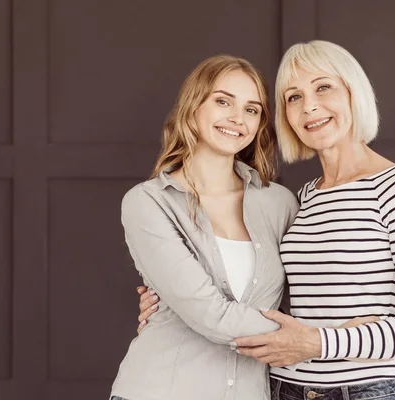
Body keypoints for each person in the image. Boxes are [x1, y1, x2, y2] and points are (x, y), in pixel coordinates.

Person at [137, 41, 395, 400]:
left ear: (353, 92)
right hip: (284, 388)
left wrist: (318, 342)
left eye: (323, 87)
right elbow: (271, 299)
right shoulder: (304, 198)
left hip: (363, 391)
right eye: (293, 97)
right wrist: (170, 307)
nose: (309, 105)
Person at [109, 54, 300, 400]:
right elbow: (211, 316)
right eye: (223, 101)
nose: (237, 118)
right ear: (193, 106)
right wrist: (318, 337)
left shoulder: (280, 203)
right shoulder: (149, 203)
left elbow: (303, 298)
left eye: (252, 109)